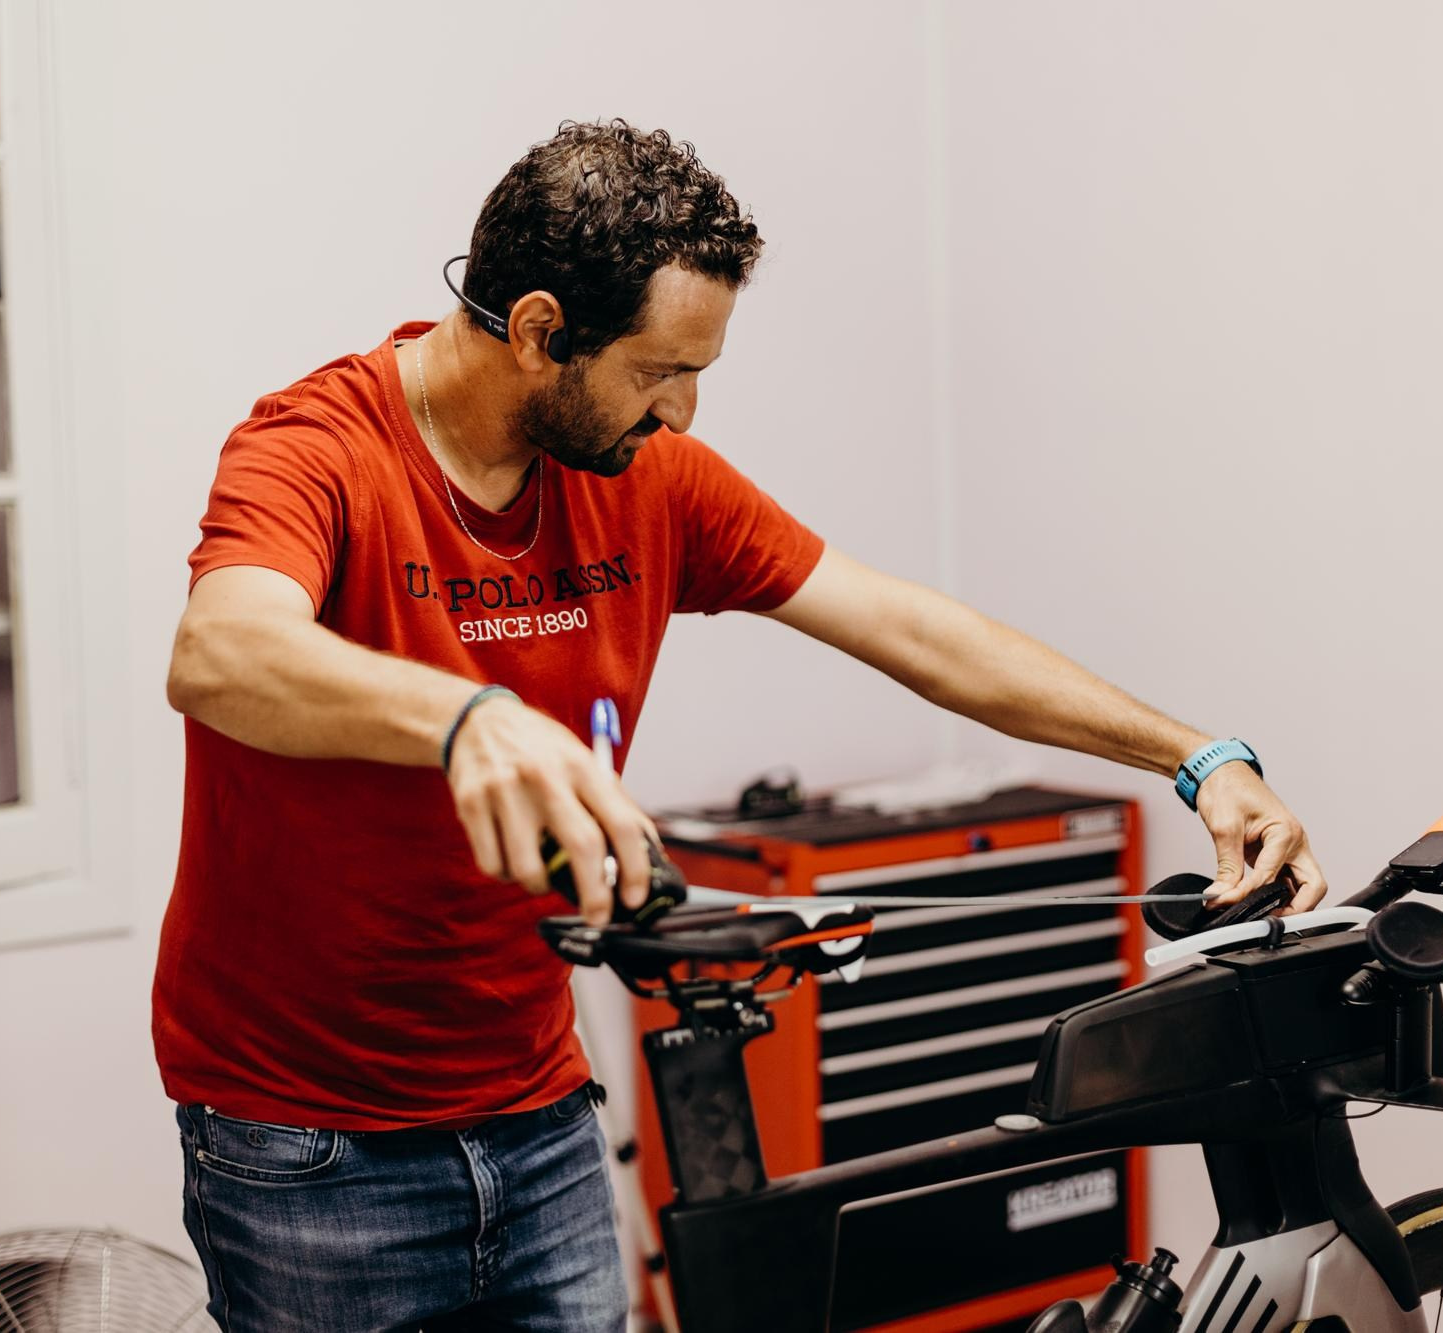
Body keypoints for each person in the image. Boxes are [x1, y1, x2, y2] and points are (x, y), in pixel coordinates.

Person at [153, 119, 1326, 1333]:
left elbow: (914, 632)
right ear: (543, 329)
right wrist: (466, 717)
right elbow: (222, 650)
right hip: (307, 1142)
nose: (685, 413)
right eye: (661, 371)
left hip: (537, 1107)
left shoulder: (640, 476)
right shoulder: (317, 448)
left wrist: (1196, 756)